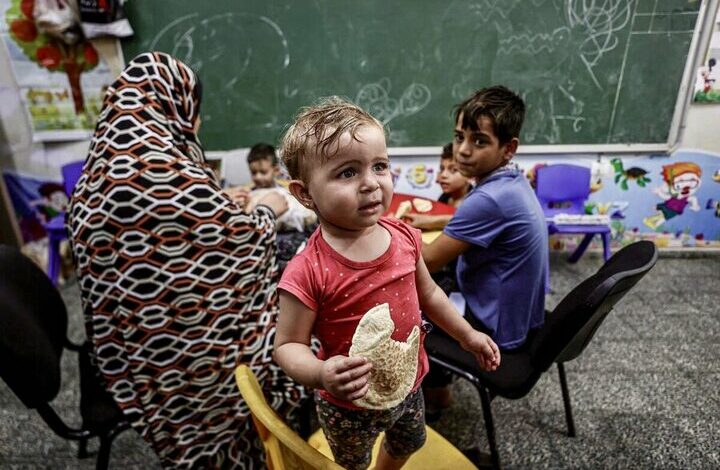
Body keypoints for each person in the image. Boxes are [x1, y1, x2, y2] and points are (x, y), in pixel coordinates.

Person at [67, 52, 305, 469]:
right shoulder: (166, 176)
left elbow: (171, 235)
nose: (195, 124)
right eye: (192, 111)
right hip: (192, 360)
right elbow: (242, 246)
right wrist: (267, 208)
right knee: (308, 324)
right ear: (171, 106)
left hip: (133, 349)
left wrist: (216, 204)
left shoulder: (98, 177)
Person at [272, 97, 500, 470]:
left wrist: (466, 334)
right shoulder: (306, 270)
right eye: (347, 172)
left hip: (409, 385)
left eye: (379, 166)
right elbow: (288, 346)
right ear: (305, 194)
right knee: (352, 462)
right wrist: (320, 373)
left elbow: (429, 294)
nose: (370, 184)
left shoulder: (406, 238)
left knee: (407, 442)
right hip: (347, 403)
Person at [422, 85, 548, 351]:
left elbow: (429, 260)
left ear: (508, 148)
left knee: (410, 309)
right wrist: (431, 223)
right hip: (521, 319)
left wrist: (385, 231)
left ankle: (438, 390)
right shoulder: (512, 183)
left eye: (479, 141)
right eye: (459, 137)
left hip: (494, 329)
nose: (463, 151)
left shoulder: (488, 199)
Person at [403, 142, 473, 231]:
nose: (443, 175)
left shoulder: (474, 201)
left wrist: (430, 222)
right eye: (442, 169)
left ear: (470, 175)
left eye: (453, 170)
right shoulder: (444, 197)